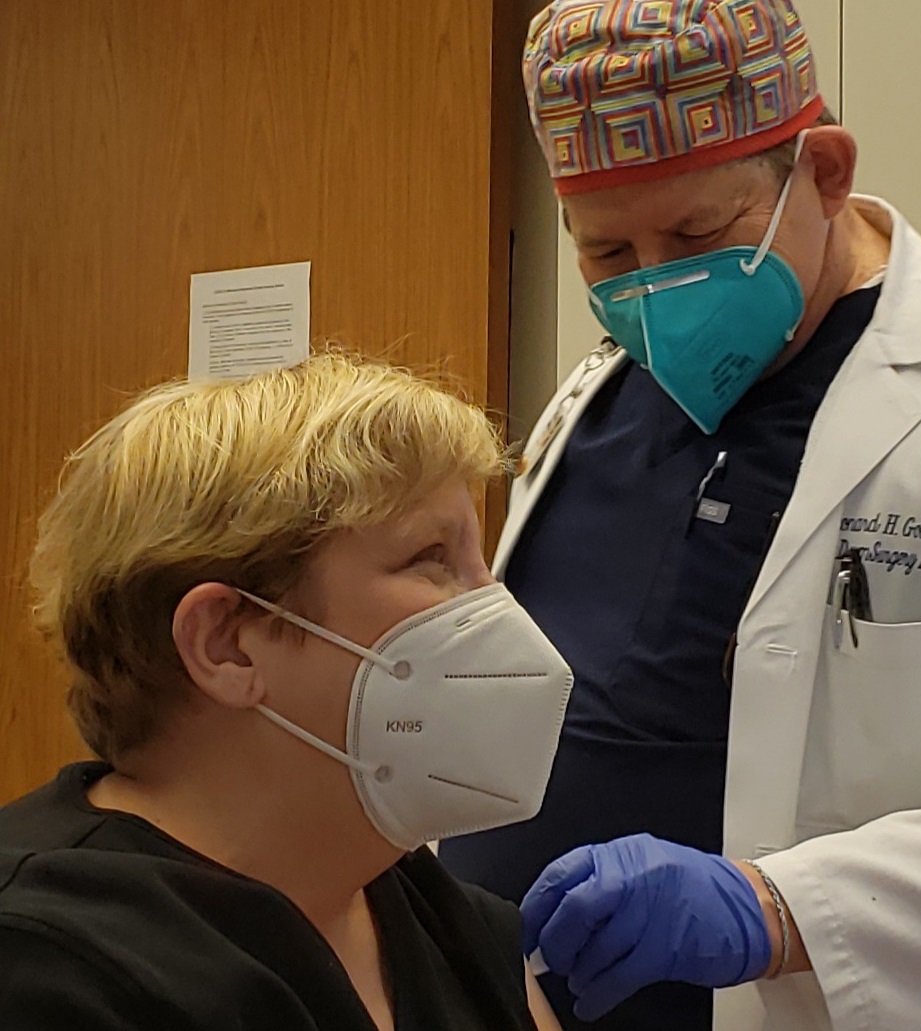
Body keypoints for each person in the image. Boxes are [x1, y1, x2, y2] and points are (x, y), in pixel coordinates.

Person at [438, 1, 921, 1029]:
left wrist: (773, 909)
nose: (655, 288)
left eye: (695, 236)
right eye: (608, 255)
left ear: (825, 171)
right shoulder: (596, 392)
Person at [0, 351, 570, 1030]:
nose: (494, 606)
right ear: (225, 642)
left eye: (480, 560)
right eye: (431, 559)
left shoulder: (447, 923)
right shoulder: (48, 968)